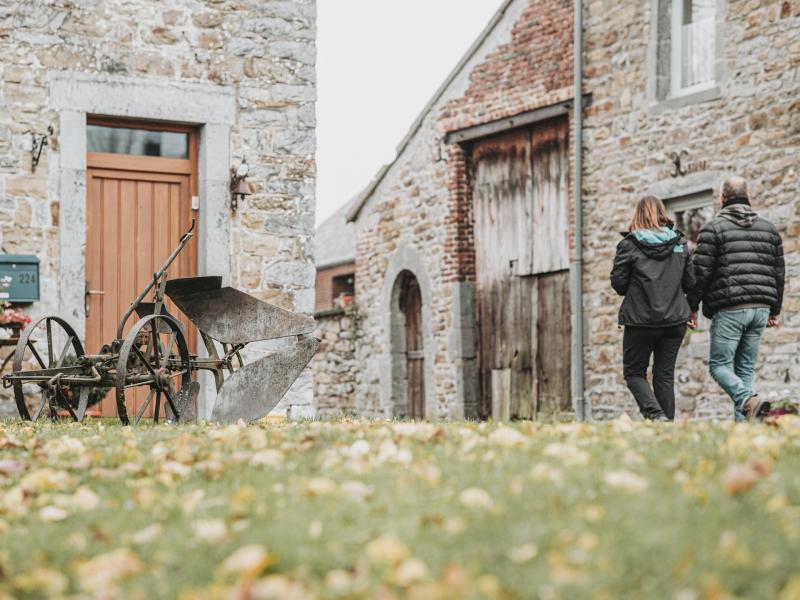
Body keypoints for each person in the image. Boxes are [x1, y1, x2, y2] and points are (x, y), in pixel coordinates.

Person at [687, 176, 785, 421]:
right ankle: (746, 428)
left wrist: (691, 308)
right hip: (761, 309)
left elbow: (700, 273)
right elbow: (779, 273)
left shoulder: (712, 228)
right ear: (747, 196)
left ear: (722, 199)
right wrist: (775, 310)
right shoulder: (769, 229)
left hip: (730, 308)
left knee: (719, 366)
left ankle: (747, 399)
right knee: (745, 369)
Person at [611, 196, 694, 421]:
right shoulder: (679, 243)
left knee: (634, 373)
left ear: (637, 215)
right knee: (664, 376)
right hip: (675, 320)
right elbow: (690, 282)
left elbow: (619, 284)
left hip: (641, 320)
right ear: (662, 213)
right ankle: (666, 425)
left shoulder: (629, 245)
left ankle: (657, 417)